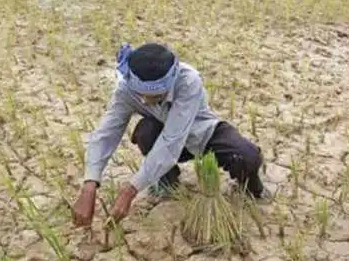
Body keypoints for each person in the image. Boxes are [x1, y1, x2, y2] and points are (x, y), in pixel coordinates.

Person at [72, 42, 271, 228]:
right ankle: (167, 182)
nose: (145, 100)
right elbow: (107, 132)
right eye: (141, 95)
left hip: (203, 132)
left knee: (248, 156)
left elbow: (171, 141)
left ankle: (252, 189)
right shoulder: (127, 88)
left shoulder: (188, 81)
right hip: (164, 135)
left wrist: (130, 190)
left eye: (155, 97)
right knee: (145, 132)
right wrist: (89, 185)